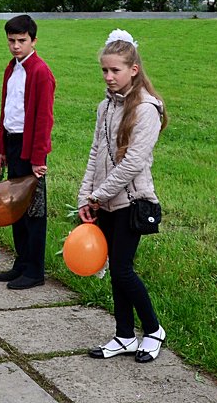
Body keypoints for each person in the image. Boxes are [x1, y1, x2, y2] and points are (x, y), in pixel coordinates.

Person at [79, 29, 168, 363]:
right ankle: (125, 335)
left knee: (122, 269)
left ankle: (154, 330)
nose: (109, 76)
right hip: (105, 201)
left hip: (132, 202)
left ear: (133, 69)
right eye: (105, 70)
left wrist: (98, 196)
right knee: (117, 270)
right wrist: (85, 195)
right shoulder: (105, 106)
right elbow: (95, 153)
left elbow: (133, 163)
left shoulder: (147, 108)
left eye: (115, 70)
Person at [0, 15, 55, 290]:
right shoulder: (11, 68)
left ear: (33, 41)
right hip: (13, 142)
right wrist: (2, 149)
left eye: (21, 41)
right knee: (15, 207)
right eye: (11, 41)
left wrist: (38, 158)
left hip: (31, 149)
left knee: (33, 212)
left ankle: (35, 269)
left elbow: (43, 119)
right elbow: (6, 110)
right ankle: (21, 263)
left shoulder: (40, 72)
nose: (16, 46)